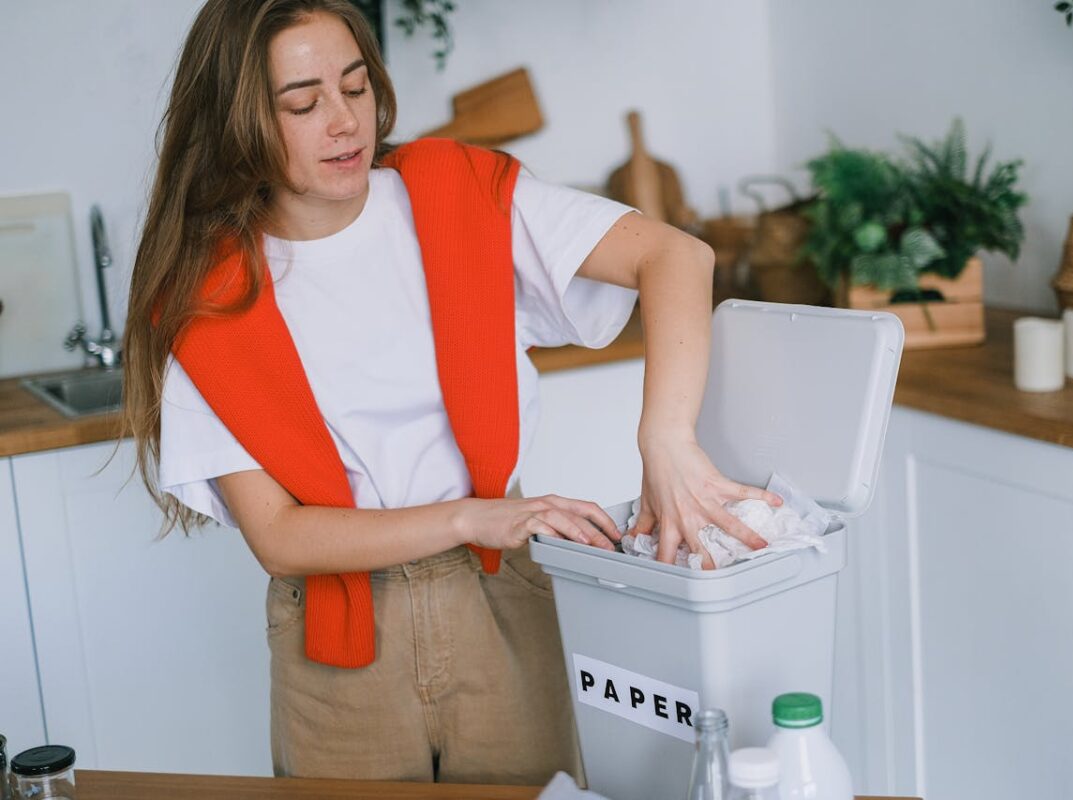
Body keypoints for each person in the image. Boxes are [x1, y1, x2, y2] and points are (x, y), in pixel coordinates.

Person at [122, 0, 781, 786]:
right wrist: (473, 515)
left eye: (356, 87)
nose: (343, 122)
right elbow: (280, 535)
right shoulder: (208, 297)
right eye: (302, 103)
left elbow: (676, 257)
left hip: (499, 597)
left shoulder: (457, 193)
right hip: (333, 643)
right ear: (238, 125)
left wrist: (667, 439)